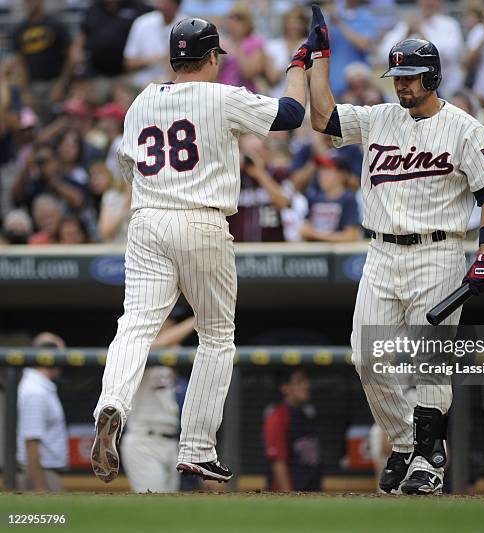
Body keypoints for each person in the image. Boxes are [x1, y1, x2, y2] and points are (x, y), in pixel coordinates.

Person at [91, 17, 309, 485]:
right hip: (201, 218)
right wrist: (298, 64)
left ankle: (112, 402)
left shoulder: (142, 99)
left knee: (135, 326)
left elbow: (126, 168)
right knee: (215, 337)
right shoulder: (221, 95)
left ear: (172, 59)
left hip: (147, 220)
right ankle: (197, 448)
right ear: (211, 58)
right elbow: (291, 115)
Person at [308, 4, 484, 494]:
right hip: (381, 252)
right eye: (397, 76)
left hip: (438, 251)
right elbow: (324, 118)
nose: (402, 85)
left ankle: (428, 465)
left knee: (429, 360)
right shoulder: (378, 119)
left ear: (433, 76)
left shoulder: (464, 127)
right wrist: (319, 61)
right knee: (365, 357)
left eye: (412, 77)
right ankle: (404, 443)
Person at [120, 313, 195, 493]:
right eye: (168, 322)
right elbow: (154, 346)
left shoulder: (171, 357)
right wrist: (197, 319)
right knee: (153, 504)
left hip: (171, 442)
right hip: (144, 441)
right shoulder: (136, 347)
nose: (171, 326)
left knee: (168, 510)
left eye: (173, 323)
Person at [378, 0, 465, 97]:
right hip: (415, 87)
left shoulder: (449, 24)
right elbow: (384, 54)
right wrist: (407, 33)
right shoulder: (407, 25)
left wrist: (422, 33)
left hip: (446, 86)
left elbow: (449, 55)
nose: (428, 2)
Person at [17, 332, 68, 491]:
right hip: (38, 473)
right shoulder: (35, 391)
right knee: (49, 516)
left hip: (46, 471)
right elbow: (31, 442)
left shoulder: (41, 386)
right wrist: (40, 489)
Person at [12, 0, 72, 121]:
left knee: (58, 120)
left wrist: (61, 84)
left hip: (54, 83)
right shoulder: (19, 29)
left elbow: (70, 57)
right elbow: (20, 64)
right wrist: (25, 91)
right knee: (34, 123)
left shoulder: (55, 25)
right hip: (33, 87)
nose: (29, 2)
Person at [263, 367, 321, 492]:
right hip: (288, 496)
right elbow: (278, 462)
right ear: (285, 388)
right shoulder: (278, 416)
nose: (306, 385)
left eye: (306, 381)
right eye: (299, 382)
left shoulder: (307, 414)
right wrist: (289, 497)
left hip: (311, 492)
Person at [299, 155, 361, 243]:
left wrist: (315, 234)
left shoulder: (348, 199)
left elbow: (350, 235)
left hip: (340, 254)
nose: (322, 175)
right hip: (317, 253)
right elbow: (304, 230)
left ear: (342, 174)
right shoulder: (315, 198)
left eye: (328, 171)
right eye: (321, 171)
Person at [123, 0, 185, 88]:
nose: (163, 5)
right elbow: (129, 62)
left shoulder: (186, 25)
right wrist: (153, 59)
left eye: (168, 3)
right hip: (142, 84)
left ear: (177, 5)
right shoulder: (142, 23)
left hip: (175, 84)